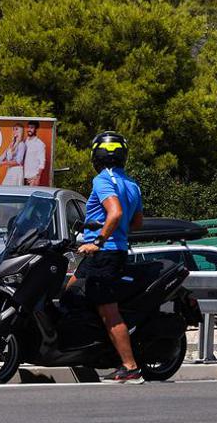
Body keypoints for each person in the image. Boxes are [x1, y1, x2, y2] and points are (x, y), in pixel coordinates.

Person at [76, 131, 145, 383]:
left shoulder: (102, 180)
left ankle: (130, 367)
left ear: (96, 154)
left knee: (109, 312)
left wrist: (98, 240)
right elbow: (136, 222)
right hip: (113, 252)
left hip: (104, 253)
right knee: (70, 289)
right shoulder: (132, 184)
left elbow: (114, 213)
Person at [21, 121, 48, 187]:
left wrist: (37, 178)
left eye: (32, 128)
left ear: (36, 129)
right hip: (21, 177)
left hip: (32, 178)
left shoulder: (40, 144)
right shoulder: (24, 142)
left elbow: (42, 163)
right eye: (28, 127)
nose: (29, 129)